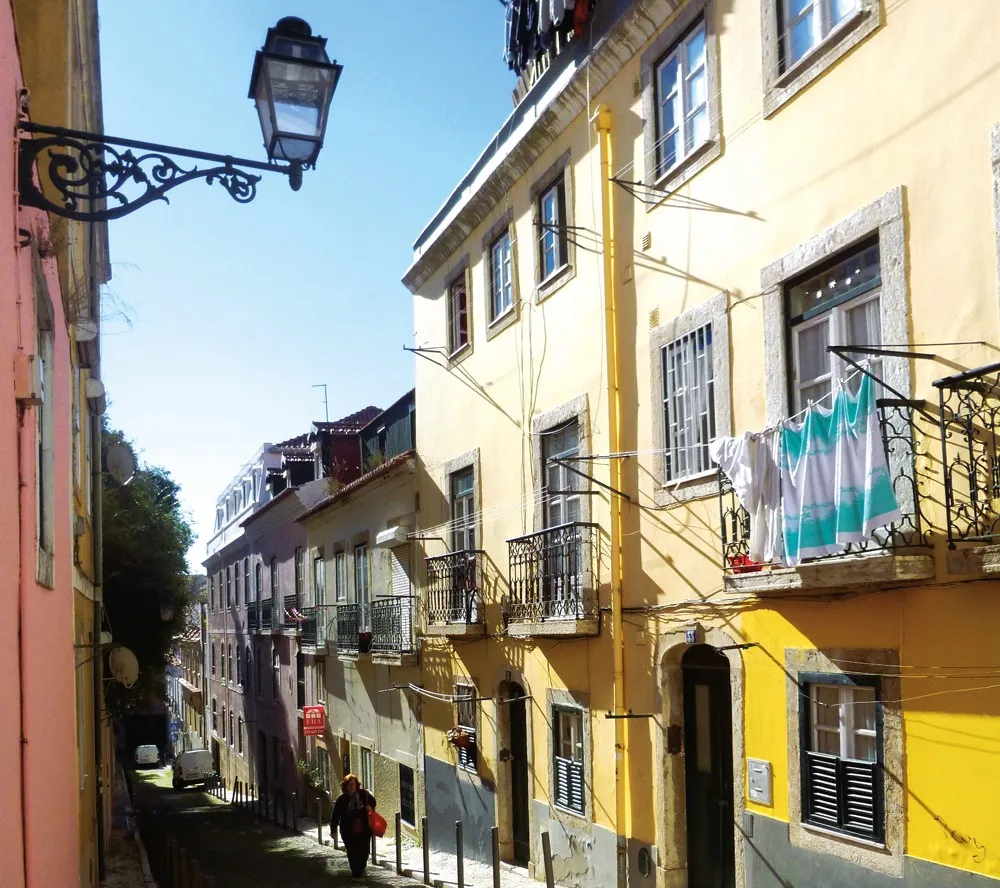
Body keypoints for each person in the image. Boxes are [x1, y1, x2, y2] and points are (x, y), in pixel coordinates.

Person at [331, 773, 377, 878]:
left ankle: (361, 869)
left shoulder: (363, 794)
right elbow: (335, 816)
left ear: (357, 785)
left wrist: (369, 807)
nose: (352, 787)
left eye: (353, 784)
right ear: (345, 786)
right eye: (349, 785)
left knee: (364, 851)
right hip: (348, 831)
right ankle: (356, 873)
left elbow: (373, 802)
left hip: (364, 829)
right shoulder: (342, 799)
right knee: (352, 853)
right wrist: (333, 830)